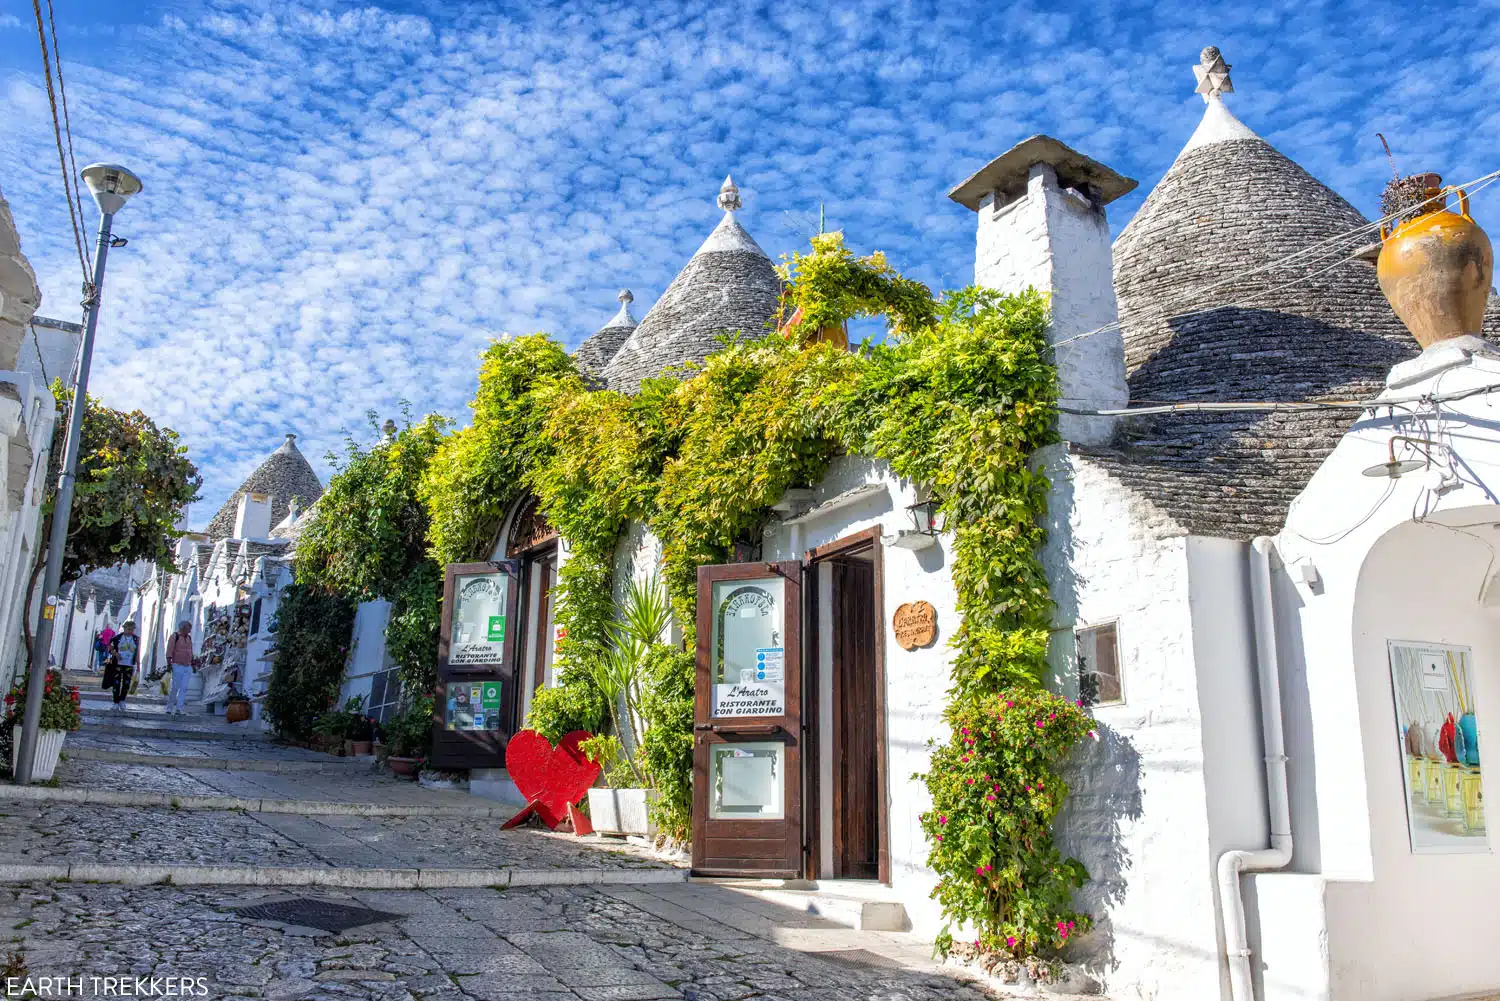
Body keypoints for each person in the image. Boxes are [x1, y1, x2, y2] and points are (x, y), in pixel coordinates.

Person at [105, 621, 140, 709]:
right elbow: (110, 648)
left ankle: (122, 700)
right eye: (128, 629)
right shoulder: (117, 638)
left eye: (132, 629)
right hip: (118, 664)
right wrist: (116, 654)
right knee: (116, 683)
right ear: (124, 629)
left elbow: (137, 651)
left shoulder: (136, 639)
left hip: (129, 665)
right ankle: (115, 702)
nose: (130, 631)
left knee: (126, 683)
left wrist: (138, 663)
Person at [165, 621, 197, 715]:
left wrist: (193, 663)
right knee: (175, 687)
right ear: (183, 628)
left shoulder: (189, 638)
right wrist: (169, 662)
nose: (190, 630)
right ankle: (169, 707)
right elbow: (169, 649)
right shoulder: (175, 636)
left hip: (187, 666)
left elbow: (190, 651)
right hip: (177, 665)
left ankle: (179, 708)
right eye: (189, 628)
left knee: (184, 687)